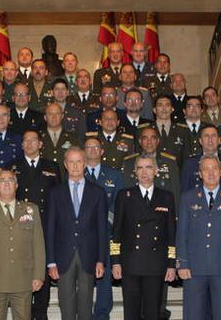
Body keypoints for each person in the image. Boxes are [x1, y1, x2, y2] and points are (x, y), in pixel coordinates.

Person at [176, 155, 221, 320]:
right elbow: (182, 234)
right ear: (200, 174)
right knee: (193, 315)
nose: (211, 173)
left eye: (214, 168)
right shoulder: (188, 198)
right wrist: (182, 263)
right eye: (206, 169)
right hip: (194, 268)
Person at [0, 170, 46, 320]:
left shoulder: (31, 210)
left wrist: (39, 275)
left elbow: (38, 246)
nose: (6, 183)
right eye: (2, 180)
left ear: (16, 185)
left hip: (23, 279)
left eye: (10, 180)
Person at [111, 155, 177, 320]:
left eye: (148, 167)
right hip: (130, 263)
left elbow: (171, 235)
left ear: (156, 171)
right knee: (131, 313)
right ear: (135, 172)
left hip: (155, 265)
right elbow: (116, 233)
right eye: (140, 168)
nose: (144, 172)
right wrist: (115, 261)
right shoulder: (124, 196)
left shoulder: (166, 197)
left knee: (152, 313)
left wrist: (171, 264)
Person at [46, 147, 108, 320]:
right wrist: (51, 261)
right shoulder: (55, 192)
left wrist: (101, 260)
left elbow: (102, 229)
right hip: (62, 256)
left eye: (79, 161)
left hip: (88, 255)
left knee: (86, 304)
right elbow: (50, 228)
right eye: (71, 162)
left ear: (85, 164)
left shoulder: (98, 192)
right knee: (65, 304)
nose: (75, 166)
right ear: (65, 165)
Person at [6, 130, 61, 320]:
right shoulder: (12, 167)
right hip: (18, 231)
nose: (29, 144)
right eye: (25, 140)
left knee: (42, 276)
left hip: (44, 230)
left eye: (33, 140)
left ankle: (41, 314)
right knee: (21, 276)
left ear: (40, 144)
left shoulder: (52, 167)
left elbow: (59, 201)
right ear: (21, 145)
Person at [83, 137, 123, 320]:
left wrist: (103, 221)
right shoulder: (76, 173)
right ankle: (83, 313)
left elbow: (118, 204)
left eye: (96, 147)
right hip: (81, 234)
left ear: (102, 151)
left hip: (106, 232)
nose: (92, 150)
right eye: (88, 147)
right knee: (83, 276)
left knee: (104, 277)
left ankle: (102, 314)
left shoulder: (114, 175)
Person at [121, 127, 180, 207]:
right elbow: (125, 190)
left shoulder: (170, 162)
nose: (149, 142)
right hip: (135, 209)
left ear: (158, 141)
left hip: (162, 211)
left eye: (153, 138)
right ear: (140, 141)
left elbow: (175, 192)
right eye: (145, 138)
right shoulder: (129, 162)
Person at [180, 124, 221, 191]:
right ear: (200, 141)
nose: (210, 139)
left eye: (213, 136)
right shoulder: (190, 164)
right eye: (206, 136)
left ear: (219, 140)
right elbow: (184, 192)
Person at [40, 103, 79, 171]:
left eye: (57, 113)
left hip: (66, 179)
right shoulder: (38, 138)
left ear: (62, 116)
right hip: (44, 179)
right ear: (45, 117)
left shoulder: (73, 138)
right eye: (50, 114)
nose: (54, 117)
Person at [152, 95, 190, 164]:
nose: (164, 108)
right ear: (154, 110)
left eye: (167, 105)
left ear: (172, 109)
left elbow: (186, 158)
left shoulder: (183, 131)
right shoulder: (145, 130)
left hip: (177, 173)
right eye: (160, 105)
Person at [181, 95, 207, 161]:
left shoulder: (208, 128)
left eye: (197, 106)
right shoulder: (177, 129)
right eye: (190, 106)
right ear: (184, 111)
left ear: (202, 110)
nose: (194, 109)